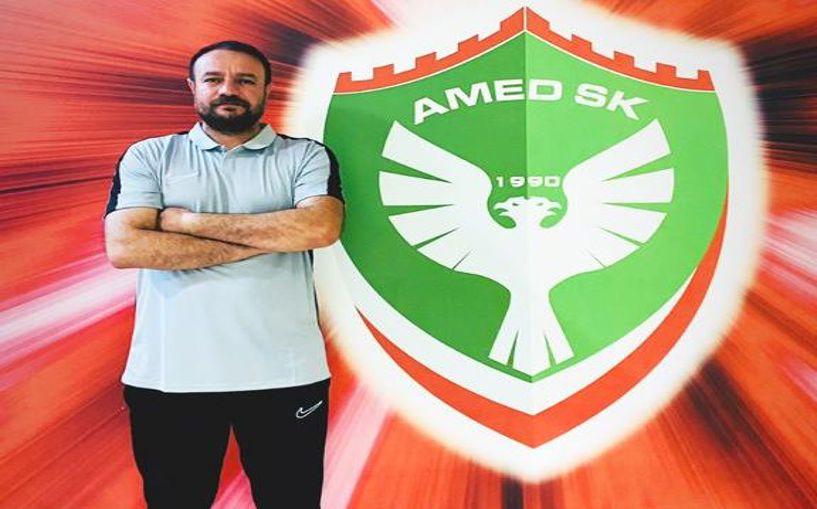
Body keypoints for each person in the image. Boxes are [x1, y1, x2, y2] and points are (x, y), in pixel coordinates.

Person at [104, 40, 343, 509]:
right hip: (170, 377)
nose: (228, 90)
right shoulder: (150, 156)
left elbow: (319, 228)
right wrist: (271, 236)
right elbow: (127, 247)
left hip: (285, 376)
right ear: (193, 87)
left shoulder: (305, 156)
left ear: (267, 89)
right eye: (214, 79)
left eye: (245, 80)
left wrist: (187, 222)